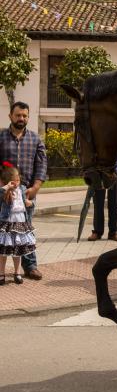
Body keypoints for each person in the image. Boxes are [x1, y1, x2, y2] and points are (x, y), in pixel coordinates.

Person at [0, 102, 47, 279]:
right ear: (10, 116)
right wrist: (2, 188)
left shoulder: (35, 139)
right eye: (18, 115)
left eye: (25, 115)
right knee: (2, 230)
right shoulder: (1, 137)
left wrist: (35, 187)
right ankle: (2, 269)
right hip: (3, 194)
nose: (21, 118)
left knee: (25, 230)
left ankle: (30, 266)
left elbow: (42, 165)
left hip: (26, 193)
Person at [0, 162, 36, 285]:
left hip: (20, 222)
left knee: (18, 250)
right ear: (8, 182)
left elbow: (29, 200)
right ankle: (1, 273)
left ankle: (17, 273)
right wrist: (6, 188)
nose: (17, 183)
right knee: (3, 251)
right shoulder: (4, 192)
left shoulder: (22, 189)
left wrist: (30, 203)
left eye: (18, 180)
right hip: (7, 223)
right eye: (14, 181)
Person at [87, 147, 117, 242]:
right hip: (99, 171)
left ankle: (114, 232)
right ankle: (97, 231)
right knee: (98, 203)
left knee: (114, 203)